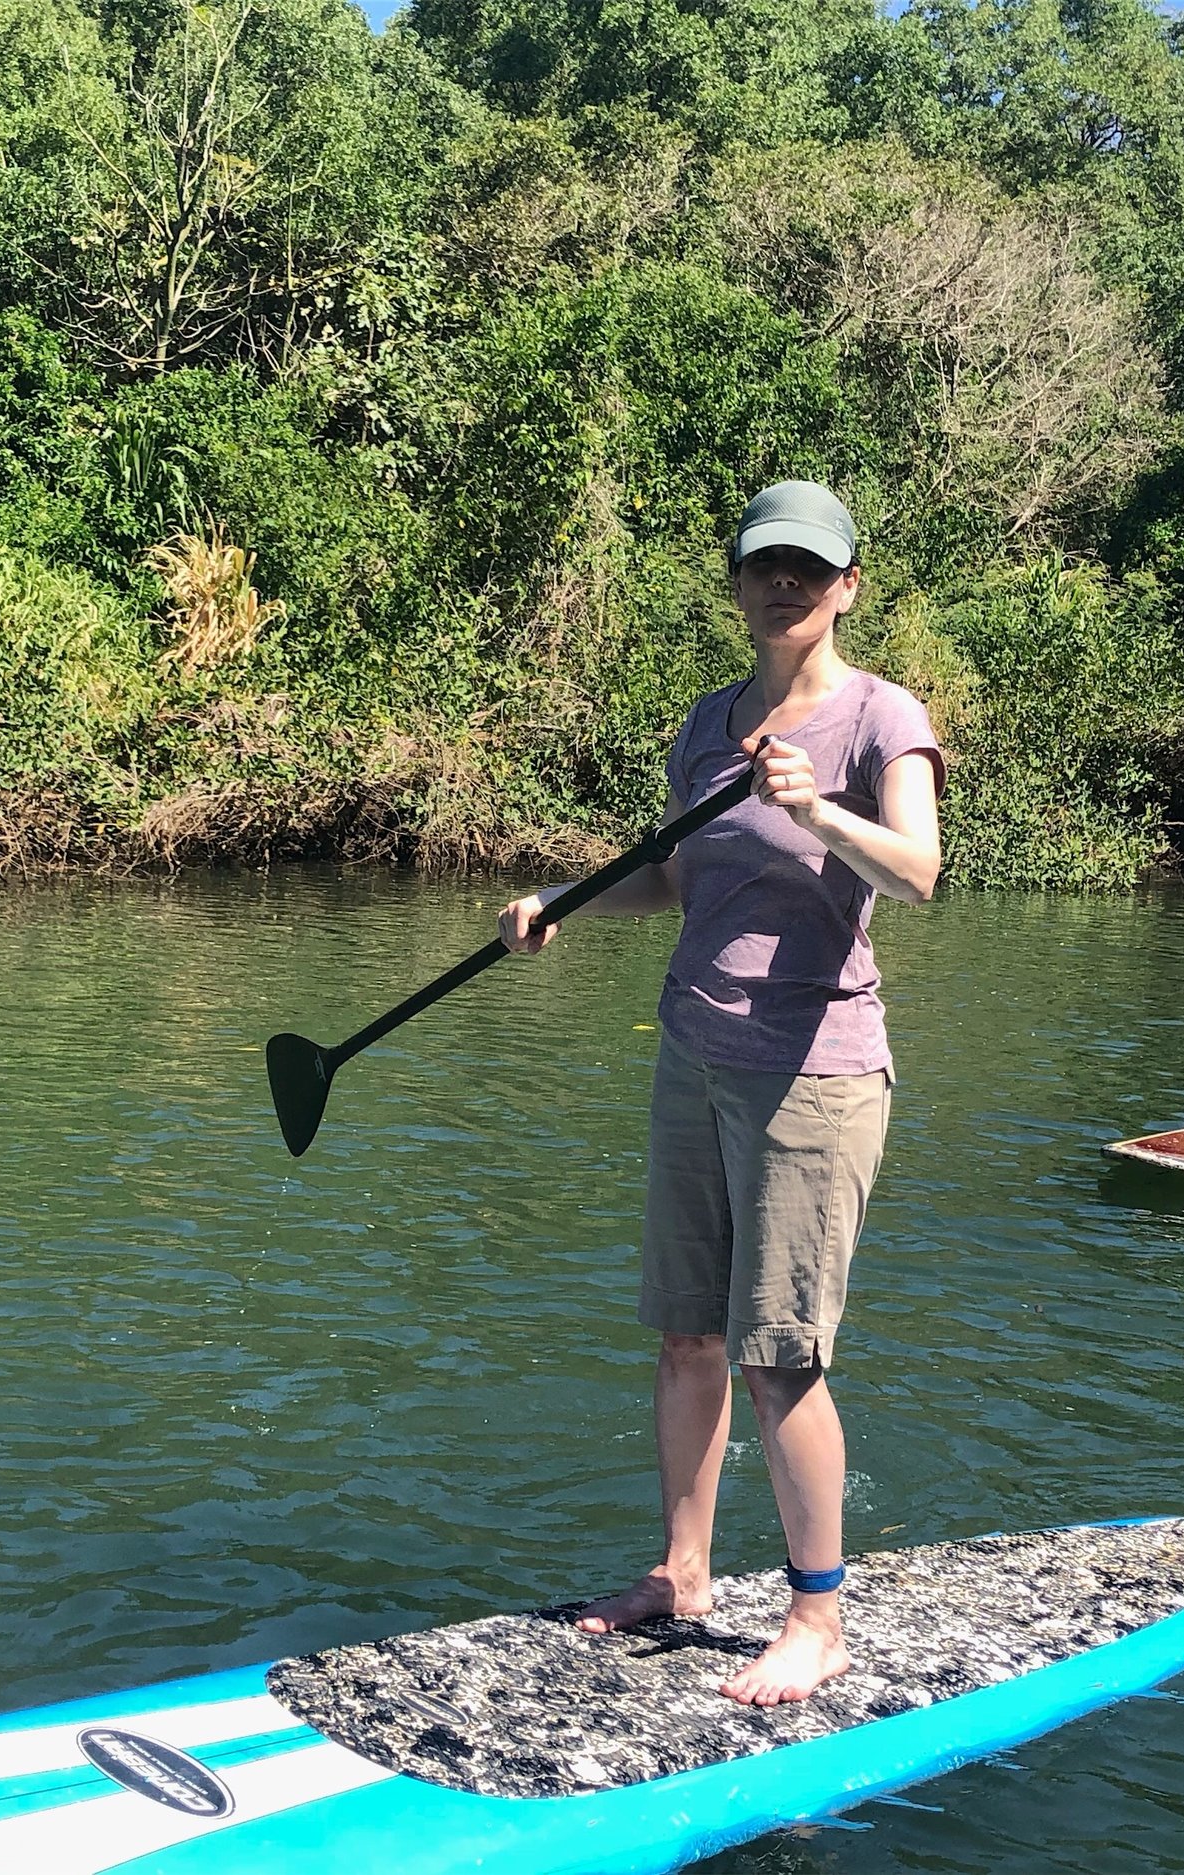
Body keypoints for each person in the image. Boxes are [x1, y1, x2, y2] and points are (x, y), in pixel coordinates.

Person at [496, 480, 942, 1707]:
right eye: (764, 566)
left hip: (816, 1072)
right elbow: (683, 880)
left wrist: (821, 809)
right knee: (688, 1335)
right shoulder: (709, 722)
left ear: (848, 584)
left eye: (810, 568)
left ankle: (816, 1620)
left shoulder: (878, 717)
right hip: (692, 1050)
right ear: (738, 582)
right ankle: (682, 1576)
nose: (784, 586)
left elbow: (919, 873)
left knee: (778, 1355)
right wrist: (564, 907)